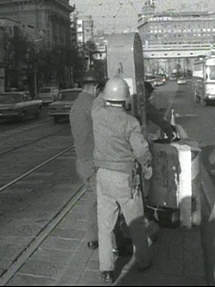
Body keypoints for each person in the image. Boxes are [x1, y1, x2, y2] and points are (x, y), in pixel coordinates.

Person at [92, 77, 154, 283]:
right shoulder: (130, 122)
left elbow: (98, 100)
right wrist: (147, 165)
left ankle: (107, 269)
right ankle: (143, 261)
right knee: (135, 221)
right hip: (124, 177)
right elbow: (141, 150)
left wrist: (113, 77)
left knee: (104, 224)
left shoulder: (97, 114)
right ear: (125, 99)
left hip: (102, 175)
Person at [69, 70, 104, 251]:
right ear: (95, 87)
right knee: (105, 201)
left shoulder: (76, 104)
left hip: (81, 161)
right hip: (93, 162)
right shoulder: (92, 105)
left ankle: (92, 238)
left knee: (92, 200)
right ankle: (109, 240)